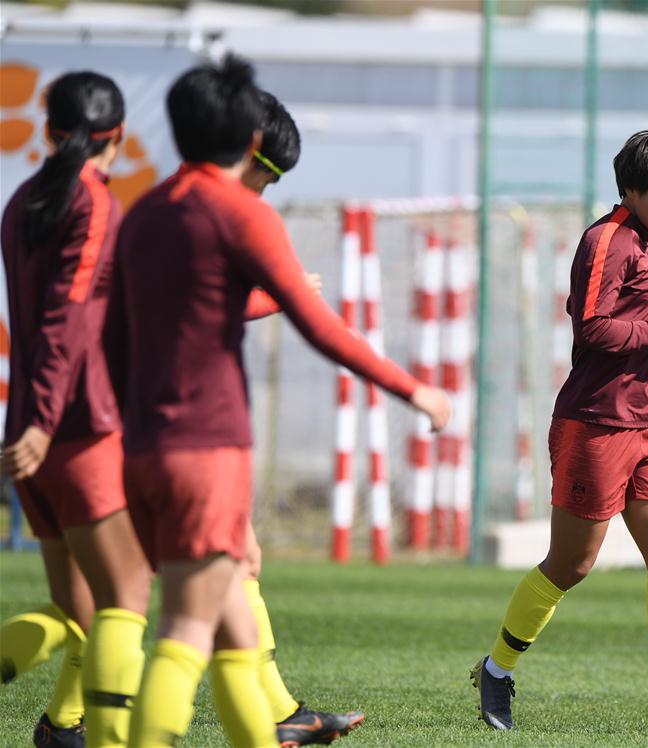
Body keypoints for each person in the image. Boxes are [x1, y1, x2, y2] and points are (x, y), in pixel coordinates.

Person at [103, 56, 450, 747]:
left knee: (234, 628)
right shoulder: (239, 213)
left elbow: (115, 336)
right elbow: (320, 328)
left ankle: (279, 727)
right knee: (185, 631)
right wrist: (413, 390)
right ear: (249, 137)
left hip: (140, 449)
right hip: (208, 448)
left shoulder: (143, 212)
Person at [469, 128, 648, 733]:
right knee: (571, 565)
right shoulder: (608, 240)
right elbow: (591, 329)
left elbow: (624, 329)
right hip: (595, 425)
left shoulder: (645, 239)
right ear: (631, 189)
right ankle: (498, 668)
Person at [0, 71, 152, 747]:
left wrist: (28, 420)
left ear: (51, 132)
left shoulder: (21, 200)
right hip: (73, 428)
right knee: (125, 600)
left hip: (29, 433)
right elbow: (67, 322)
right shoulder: (93, 203)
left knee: (76, 609)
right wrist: (42, 418)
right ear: (114, 138)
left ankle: (63, 728)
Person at [240, 89, 368, 746]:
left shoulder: (166, 210)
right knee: (114, 604)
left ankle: (281, 716)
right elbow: (188, 308)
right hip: (173, 434)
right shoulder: (206, 213)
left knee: (236, 570)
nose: (267, 189)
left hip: (173, 431)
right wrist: (284, 297)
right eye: (269, 172)